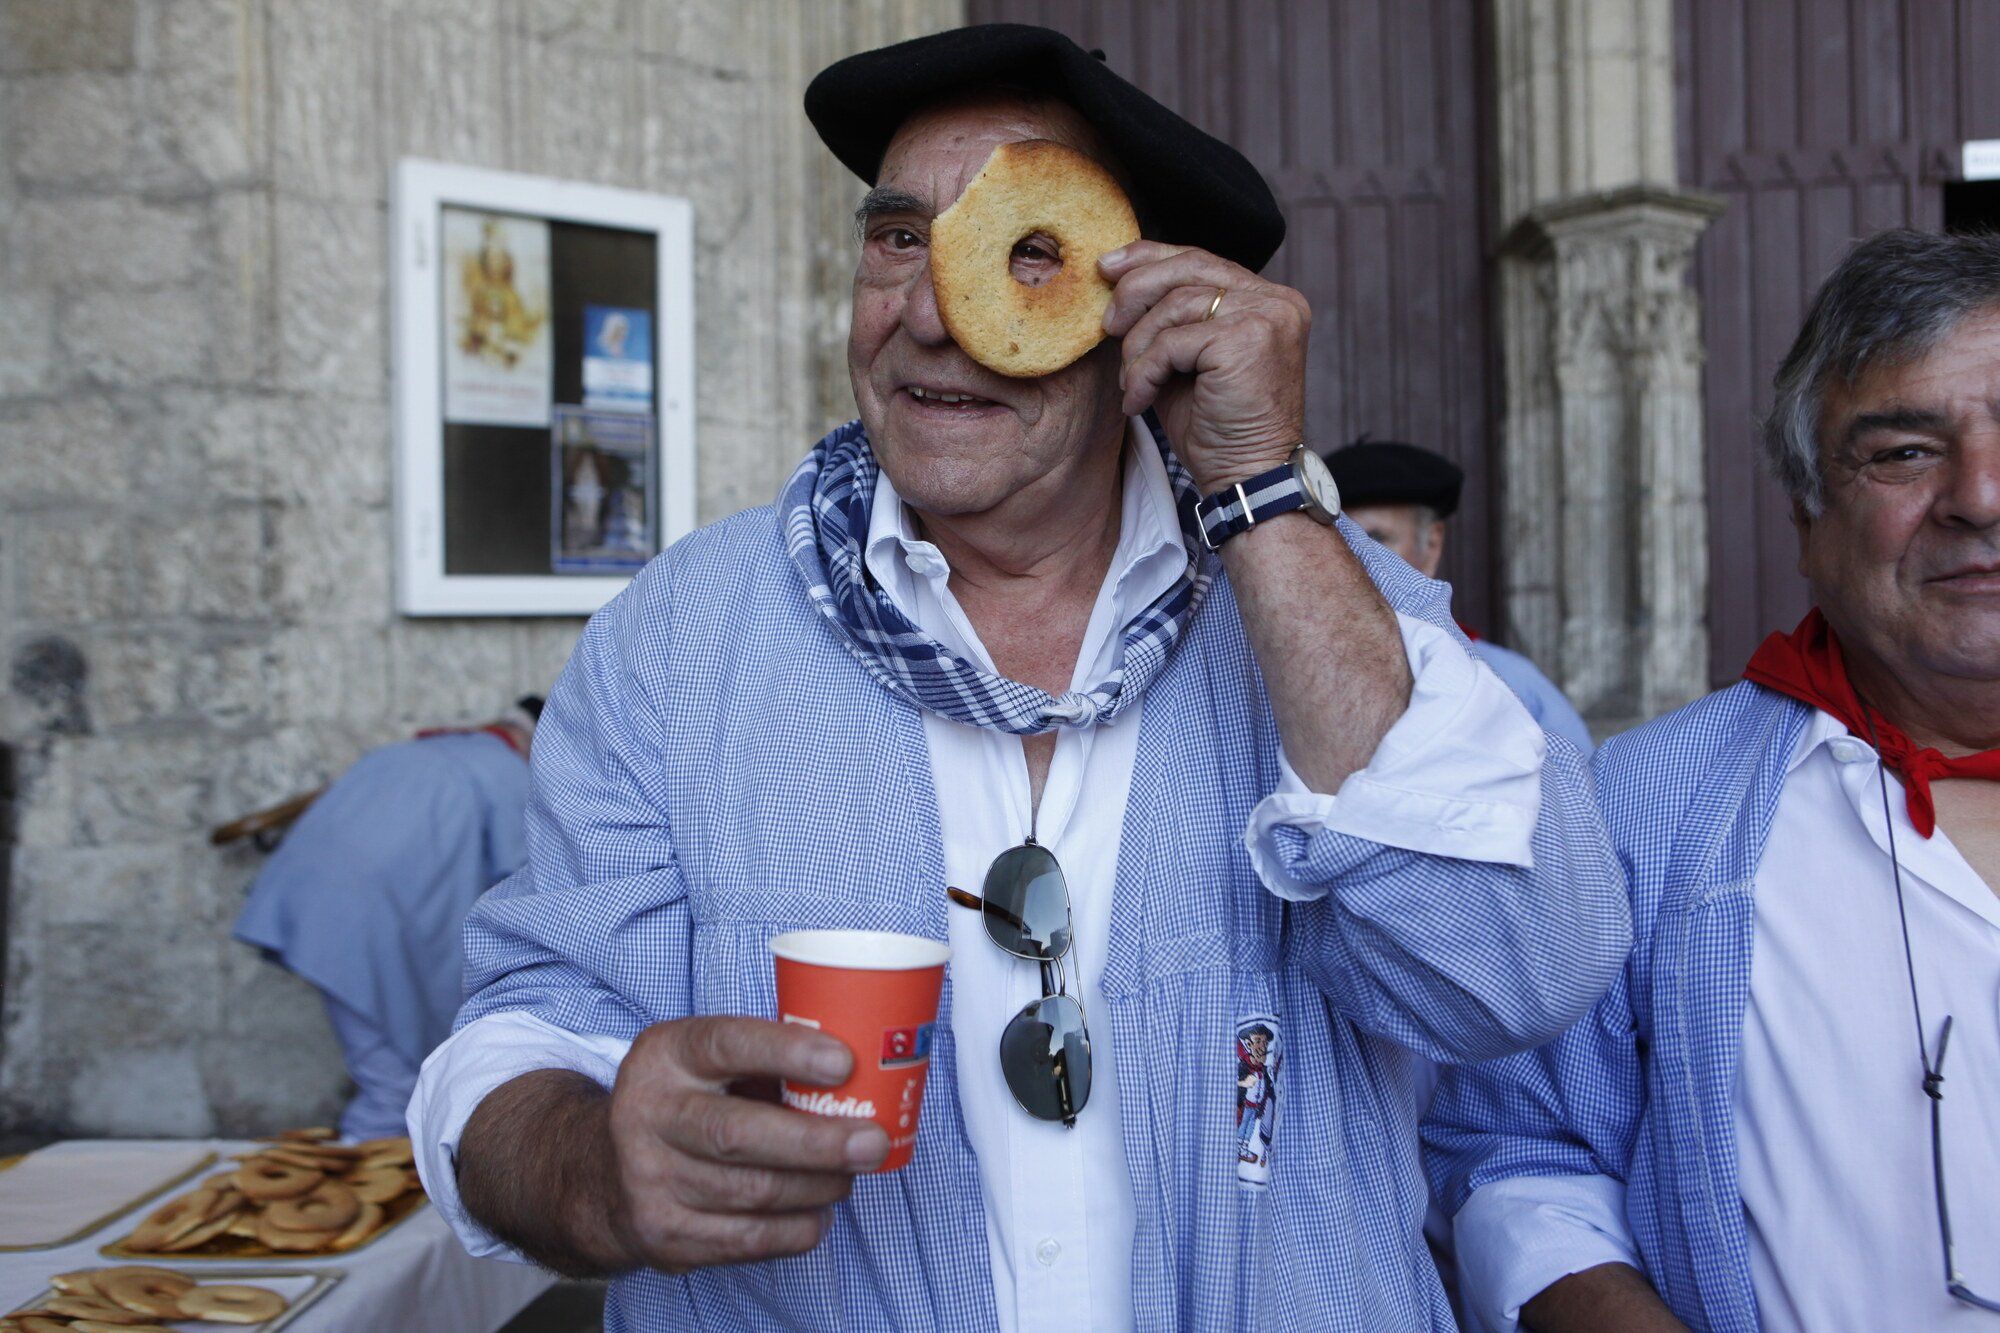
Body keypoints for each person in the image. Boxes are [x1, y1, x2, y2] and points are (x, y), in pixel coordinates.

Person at [408, 24, 1629, 1331]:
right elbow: (526, 1023)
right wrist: (588, 1162)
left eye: (1025, 253)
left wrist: (1262, 496)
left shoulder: (1338, 614)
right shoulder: (682, 639)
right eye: (894, 238)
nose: (934, 313)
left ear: (1148, 316)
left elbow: (1518, 969)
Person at [1425, 227, 2000, 1332]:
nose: (1978, 495)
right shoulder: (1646, 808)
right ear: (1803, 509)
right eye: (1902, 452)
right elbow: (1517, 1148)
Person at [233, 698, 539, 1139]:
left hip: (304, 899)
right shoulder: (508, 772)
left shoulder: (404, 752)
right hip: (368, 917)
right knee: (398, 1086)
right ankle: (355, 1185)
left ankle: (358, 1172)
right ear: (531, 742)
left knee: (385, 1070)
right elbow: (529, 883)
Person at [1329, 439, 1593, 753]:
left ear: (1431, 545)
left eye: (1377, 538)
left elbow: (1576, 789)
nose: (1357, 557)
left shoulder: (1511, 682)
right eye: (1341, 540)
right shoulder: (1291, 673)